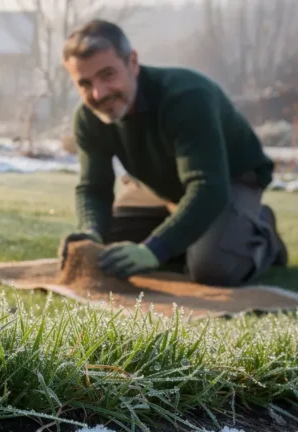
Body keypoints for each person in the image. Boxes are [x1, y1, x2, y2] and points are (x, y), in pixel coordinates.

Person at [56, 19, 288, 286]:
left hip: (228, 181)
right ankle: (196, 230)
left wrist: (153, 249)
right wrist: (91, 233)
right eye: (84, 83)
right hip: (164, 189)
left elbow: (208, 185)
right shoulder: (88, 118)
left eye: (108, 75)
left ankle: (260, 231)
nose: (98, 93)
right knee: (107, 251)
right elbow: (93, 187)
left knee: (212, 268)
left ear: (132, 62)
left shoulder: (186, 97)